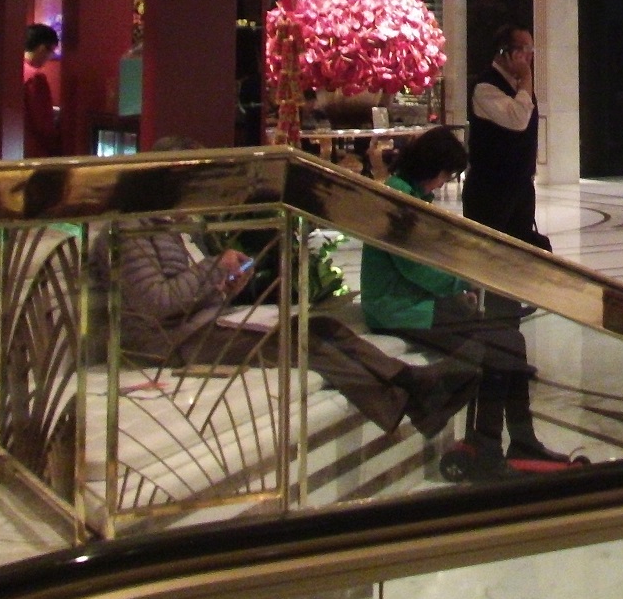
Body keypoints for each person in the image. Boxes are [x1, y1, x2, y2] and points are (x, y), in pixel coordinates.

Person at [112, 137, 463, 437]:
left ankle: (408, 384)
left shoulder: (178, 226)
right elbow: (155, 303)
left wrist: (229, 282)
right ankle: (408, 396)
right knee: (300, 342)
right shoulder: (133, 229)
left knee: (323, 326)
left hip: (205, 321)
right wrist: (214, 268)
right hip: (173, 340)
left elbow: (193, 288)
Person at [363, 126, 567, 474]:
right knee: (497, 345)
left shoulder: (411, 195)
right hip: (397, 308)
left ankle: (520, 438)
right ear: (433, 167)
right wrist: (461, 282)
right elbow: (417, 267)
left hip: (417, 301)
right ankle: (486, 443)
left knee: (510, 339)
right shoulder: (399, 199)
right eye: (445, 175)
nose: (444, 183)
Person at [462, 26, 542, 245]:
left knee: (520, 253)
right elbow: (518, 120)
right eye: (524, 49)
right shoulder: (485, 86)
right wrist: (526, 77)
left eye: (531, 50)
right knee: (488, 253)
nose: (529, 56)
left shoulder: (519, 86)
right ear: (504, 52)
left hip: (521, 186)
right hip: (490, 189)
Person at [22, 24, 60, 157]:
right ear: (42, 48)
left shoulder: (13, 69)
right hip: (34, 150)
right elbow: (43, 122)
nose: (50, 57)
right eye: (52, 52)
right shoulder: (35, 77)